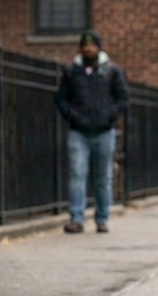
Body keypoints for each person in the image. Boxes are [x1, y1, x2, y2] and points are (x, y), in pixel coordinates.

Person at [54, 30, 130, 234]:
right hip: (78, 132)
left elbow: (123, 98)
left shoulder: (112, 72)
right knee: (77, 174)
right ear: (80, 48)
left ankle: (102, 218)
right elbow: (61, 98)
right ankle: (76, 219)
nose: (88, 49)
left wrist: (110, 116)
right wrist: (72, 115)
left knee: (103, 177)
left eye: (92, 45)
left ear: (99, 48)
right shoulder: (71, 71)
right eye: (85, 45)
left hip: (104, 132)